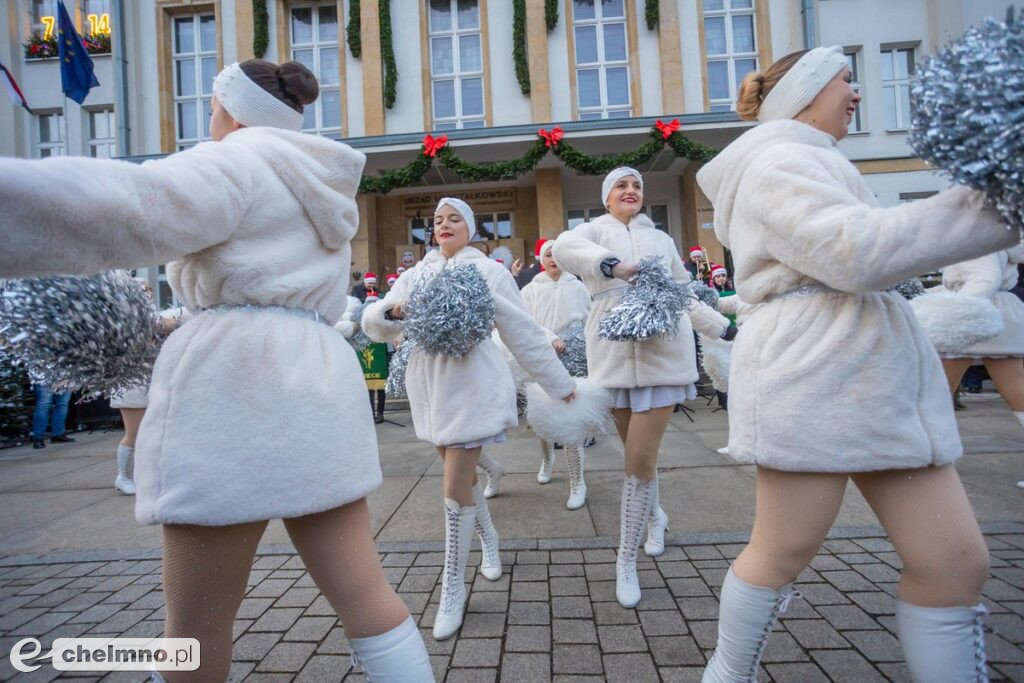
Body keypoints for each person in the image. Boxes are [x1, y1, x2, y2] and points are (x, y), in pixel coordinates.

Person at [0, 59, 433, 681]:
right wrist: (182, 318)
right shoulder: (319, 188)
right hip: (313, 383)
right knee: (367, 597)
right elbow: (267, 289)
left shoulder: (234, 161)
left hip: (233, 389)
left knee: (193, 629)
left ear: (229, 109)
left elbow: (121, 207)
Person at [694, 46, 1016, 682]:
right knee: (780, 553)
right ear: (804, 95)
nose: (857, 94)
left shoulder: (816, 159)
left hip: (869, 372)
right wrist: (999, 198)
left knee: (954, 562)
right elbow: (858, 252)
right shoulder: (777, 160)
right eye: (847, 80)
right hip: (817, 370)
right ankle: (726, 676)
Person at [363, 197, 576, 640]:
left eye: (454, 219)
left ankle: (453, 589)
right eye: (437, 220)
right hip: (430, 391)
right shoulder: (415, 274)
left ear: (471, 228)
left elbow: (522, 332)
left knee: (455, 485)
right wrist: (392, 311)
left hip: (474, 386)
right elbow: (374, 324)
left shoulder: (490, 271)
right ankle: (490, 539)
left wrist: (560, 385)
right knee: (461, 484)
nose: (444, 225)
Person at [553, 167, 734, 608]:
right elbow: (563, 248)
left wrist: (723, 330)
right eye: (621, 186)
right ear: (607, 196)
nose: (630, 191)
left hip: (661, 360)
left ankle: (625, 560)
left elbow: (684, 292)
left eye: (636, 186)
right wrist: (614, 264)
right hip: (612, 362)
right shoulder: (592, 231)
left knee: (638, 461)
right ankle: (655, 516)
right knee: (639, 460)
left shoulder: (662, 240)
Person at [938, 247, 1024, 482]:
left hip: (973, 313)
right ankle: (938, 462)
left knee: (939, 394)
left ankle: (938, 464)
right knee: (1018, 392)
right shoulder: (1001, 228)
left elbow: (984, 279)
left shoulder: (975, 230)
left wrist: (954, 314)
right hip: (1003, 311)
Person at [520, 238, 592, 508]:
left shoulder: (579, 287)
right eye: (547, 255)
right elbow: (524, 324)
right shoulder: (530, 290)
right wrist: (548, 337)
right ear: (541, 259)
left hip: (575, 356)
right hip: (542, 356)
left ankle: (577, 481)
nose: (553, 260)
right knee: (541, 416)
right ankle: (547, 460)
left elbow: (590, 319)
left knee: (573, 419)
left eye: (556, 255)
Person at [30, 382, 74, 449]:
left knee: (62, 403)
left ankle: (58, 434)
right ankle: (38, 437)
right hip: (44, 375)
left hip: (65, 375)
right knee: (44, 403)